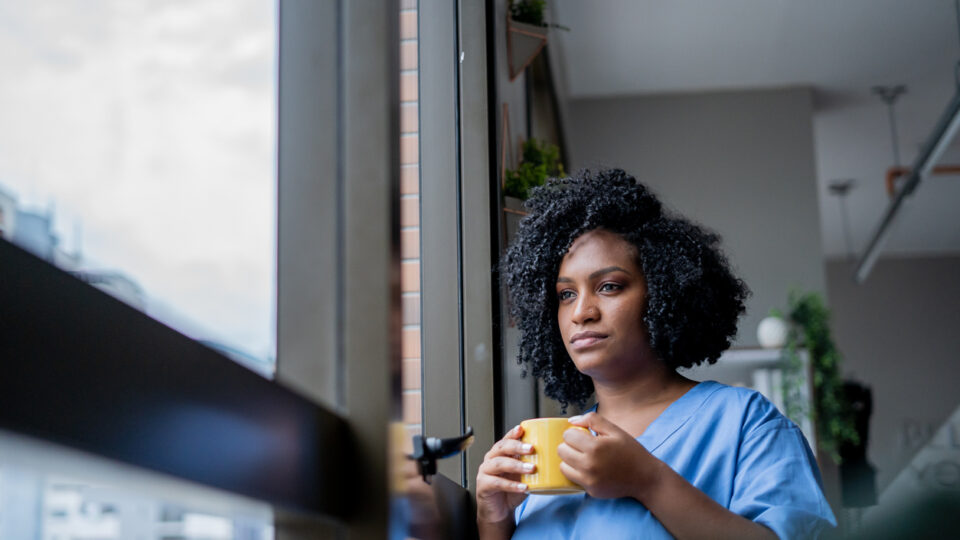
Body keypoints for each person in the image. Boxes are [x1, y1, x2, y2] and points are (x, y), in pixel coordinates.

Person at [477, 169, 835, 539]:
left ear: (664, 295)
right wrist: (494, 520)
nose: (582, 312)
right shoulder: (550, 453)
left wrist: (648, 481)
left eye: (609, 286)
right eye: (566, 294)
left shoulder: (745, 423)